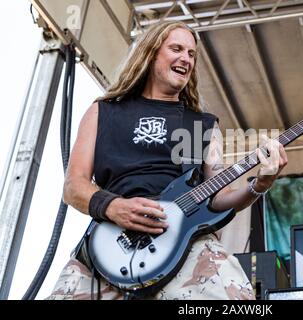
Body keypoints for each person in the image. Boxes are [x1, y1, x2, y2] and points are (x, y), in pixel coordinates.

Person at [47, 21, 288, 300]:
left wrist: (260, 184)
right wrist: (114, 207)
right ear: (151, 53)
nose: (186, 58)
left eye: (191, 54)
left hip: (186, 244)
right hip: (111, 244)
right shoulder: (102, 112)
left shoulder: (200, 125)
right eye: (176, 48)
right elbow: (73, 186)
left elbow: (219, 197)